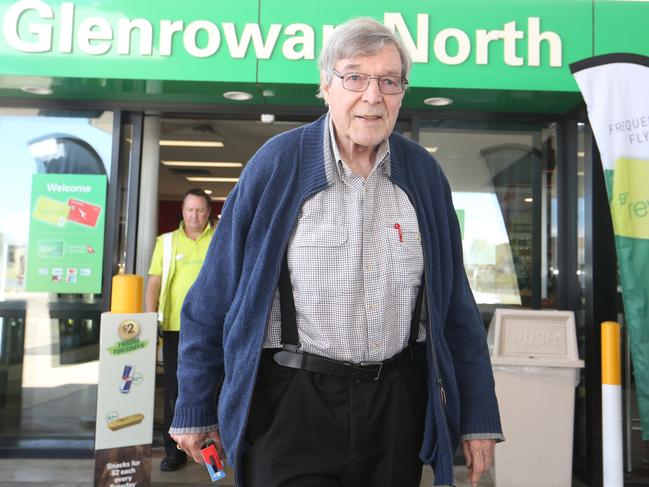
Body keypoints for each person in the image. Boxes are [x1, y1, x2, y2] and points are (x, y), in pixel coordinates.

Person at [171, 17, 503, 487]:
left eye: (389, 81)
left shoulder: (424, 177)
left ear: (402, 92)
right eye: (354, 77)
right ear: (325, 86)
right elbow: (211, 298)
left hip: (396, 404)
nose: (373, 96)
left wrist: (477, 416)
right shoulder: (277, 165)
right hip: (290, 403)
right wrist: (195, 406)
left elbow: (456, 311)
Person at [145, 187, 215, 472]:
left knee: (216, 391)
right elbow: (154, 282)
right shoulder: (167, 242)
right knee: (175, 392)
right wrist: (150, 320)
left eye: (200, 210)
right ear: (182, 211)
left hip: (214, 328)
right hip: (176, 328)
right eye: (190, 209)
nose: (194, 215)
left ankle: (213, 454)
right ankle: (174, 452)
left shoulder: (220, 239)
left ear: (208, 212)